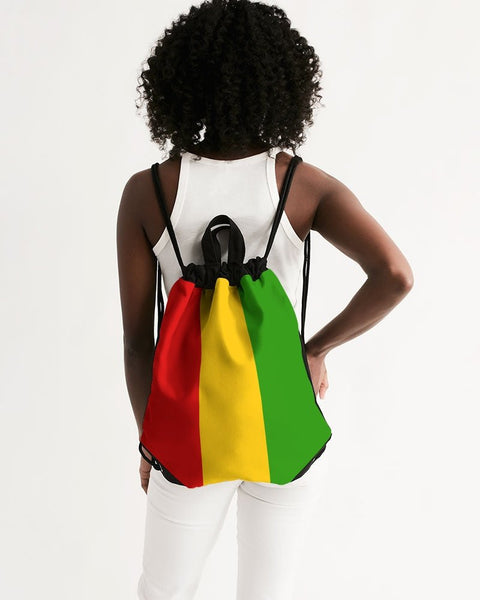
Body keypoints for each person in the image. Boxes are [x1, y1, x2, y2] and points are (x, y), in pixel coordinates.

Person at [116, 1, 414, 598]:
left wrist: (152, 439)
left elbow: (137, 341)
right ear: (282, 82)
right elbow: (395, 275)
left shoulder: (148, 192)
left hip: (190, 433)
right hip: (283, 427)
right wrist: (316, 349)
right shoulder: (303, 185)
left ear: (180, 81)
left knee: (163, 591)